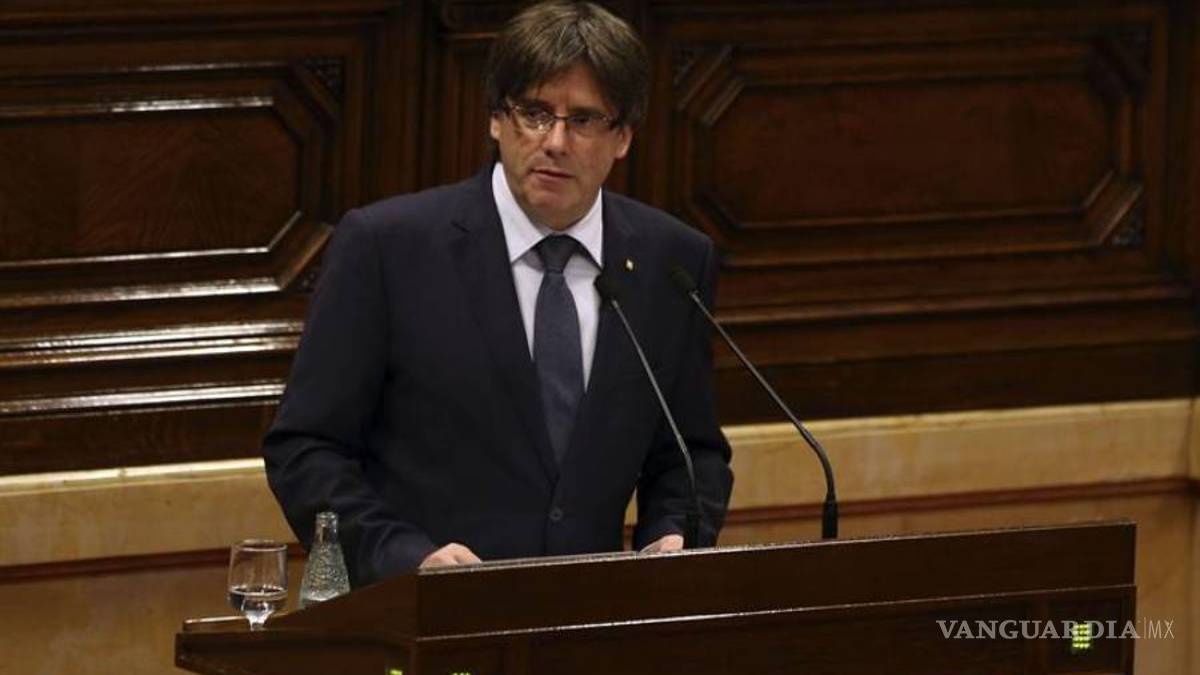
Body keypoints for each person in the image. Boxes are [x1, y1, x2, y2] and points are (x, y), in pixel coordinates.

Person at [263, 0, 732, 586]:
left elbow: (689, 454)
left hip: (589, 617)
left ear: (623, 137)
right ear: (495, 119)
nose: (555, 141)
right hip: (426, 615)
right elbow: (306, 449)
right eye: (534, 113)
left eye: (584, 120)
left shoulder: (672, 262)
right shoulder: (388, 248)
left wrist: (674, 533)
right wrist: (404, 556)